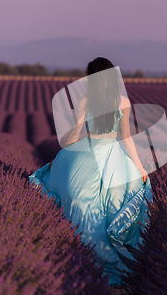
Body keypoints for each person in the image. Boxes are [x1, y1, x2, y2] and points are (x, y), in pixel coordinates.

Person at [29, 57, 152, 286]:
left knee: (84, 210)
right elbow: (126, 137)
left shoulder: (86, 100)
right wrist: (139, 167)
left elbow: (74, 135)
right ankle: (117, 267)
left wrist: (65, 149)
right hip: (114, 156)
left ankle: (87, 264)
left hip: (87, 153)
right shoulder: (123, 101)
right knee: (114, 209)